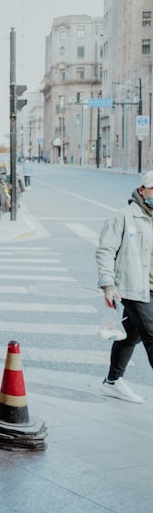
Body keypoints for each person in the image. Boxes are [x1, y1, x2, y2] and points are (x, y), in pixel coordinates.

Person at [95, 170, 153, 404]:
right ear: (142, 190)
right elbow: (105, 251)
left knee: (131, 335)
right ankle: (113, 381)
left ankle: (112, 382)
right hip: (133, 288)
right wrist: (108, 284)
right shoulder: (123, 217)